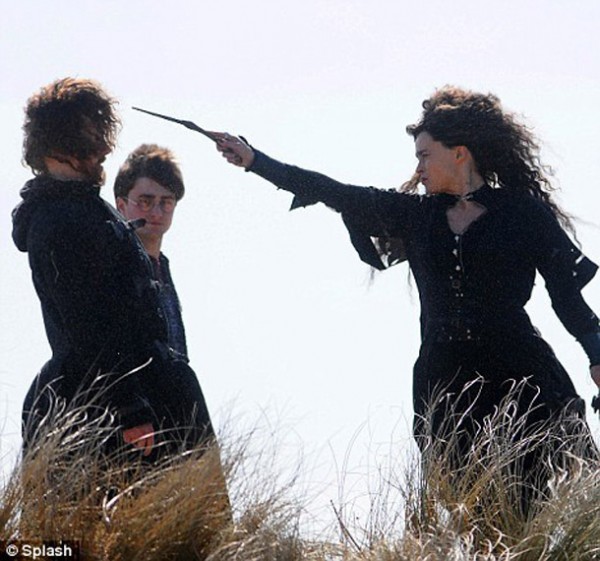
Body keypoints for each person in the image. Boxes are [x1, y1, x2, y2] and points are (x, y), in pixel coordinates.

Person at [213, 86, 600, 511]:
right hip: (446, 383)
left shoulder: (522, 213)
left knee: (534, 503)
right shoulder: (416, 215)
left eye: (424, 155)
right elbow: (331, 190)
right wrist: (254, 160)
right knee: (470, 510)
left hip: (520, 377)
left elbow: (568, 301)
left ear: (459, 153)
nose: (418, 167)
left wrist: (597, 357)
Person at [12, 78, 215, 461]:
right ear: (62, 141)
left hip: (143, 390)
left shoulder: (88, 209)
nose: (105, 149)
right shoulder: (60, 219)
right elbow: (85, 324)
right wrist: (129, 407)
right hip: (112, 405)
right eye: (93, 136)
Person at [114, 144, 189, 362]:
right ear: (121, 206)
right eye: (145, 202)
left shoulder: (162, 266)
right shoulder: (113, 263)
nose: (156, 212)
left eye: (166, 202)